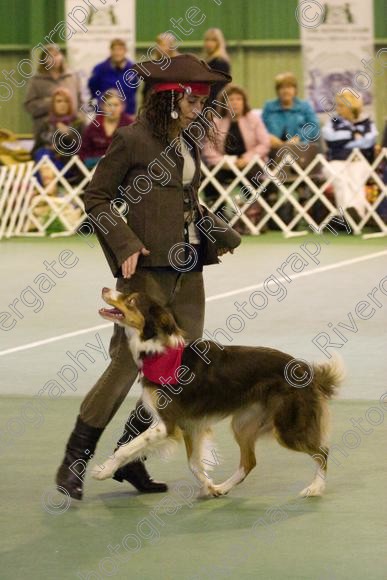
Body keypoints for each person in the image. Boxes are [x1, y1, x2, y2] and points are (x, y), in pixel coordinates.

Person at [55, 53, 240, 501]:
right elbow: (96, 197)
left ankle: (128, 458)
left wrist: (219, 231)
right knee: (125, 366)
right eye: (194, 101)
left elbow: (186, 201)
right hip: (145, 276)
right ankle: (74, 461)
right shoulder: (132, 139)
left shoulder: (186, 141)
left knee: (175, 368)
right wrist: (125, 245)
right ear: (171, 100)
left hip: (188, 269)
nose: (201, 109)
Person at [202, 84, 270, 230]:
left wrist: (246, 159)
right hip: (225, 164)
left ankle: (254, 216)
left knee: (257, 179)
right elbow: (208, 149)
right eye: (231, 99)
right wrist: (225, 161)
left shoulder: (254, 119)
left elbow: (265, 143)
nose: (235, 102)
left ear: (244, 102)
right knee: (210, 181)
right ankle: (218, 218)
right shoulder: (216, 122)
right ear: (224, 103)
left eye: (239, 99)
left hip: (249, 163)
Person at [322, 89, 378, 220]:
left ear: (351, 106)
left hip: (359, 161)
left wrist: (344, 143)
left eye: (341, 105)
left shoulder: (368, 122)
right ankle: (349, 215)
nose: (338, 109)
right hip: (335, 161)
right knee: (341, 180)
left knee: (356, 181)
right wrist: (353, 135)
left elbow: (368, 141)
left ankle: (356, 215)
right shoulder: (333, 121)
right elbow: (330, 138)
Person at [24, 44, 82, 140]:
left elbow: (80, 102)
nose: (54, 59)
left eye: (56, 55)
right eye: (49, 56)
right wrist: (51, 103)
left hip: (71, 130)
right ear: (44, 60)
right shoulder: (36, 80)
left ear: (62, 57)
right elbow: (29, 106)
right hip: (45, 130)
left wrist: (80, 119)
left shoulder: (72, 77)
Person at [262, 72, 319, 150]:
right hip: (273, 149)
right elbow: (260, 128)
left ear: (295, 90)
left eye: (289, 87)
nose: (285, 91)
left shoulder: (305, 106)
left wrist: (299, 138)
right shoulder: (269, 106)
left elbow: (314, 126)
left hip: (299, 149)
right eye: (282, 88)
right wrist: (268, 136)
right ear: (277, 91)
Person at [79, 89, 133, 169]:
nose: (113, 109)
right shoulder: (94, 125)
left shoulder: (130, 125)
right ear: (103, 106)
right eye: (109, 105)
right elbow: (83, 151)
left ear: (122, 106)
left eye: (116, 105)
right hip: (94, 168)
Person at [32, 87, 84, 167]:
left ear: (70, 104)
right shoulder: (46, 123)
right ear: (53, 104)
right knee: (43, 153)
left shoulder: (78, 123)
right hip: (46, 159)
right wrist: (49, 148)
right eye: (59, 101)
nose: (62, 104)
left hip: (69, 162)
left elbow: (83, 149)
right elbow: (35, 149)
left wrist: (68, 135)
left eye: (66, 101)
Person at [88, 38, 137, 115]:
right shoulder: (100, 69)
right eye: (114, 50)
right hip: (105, 114)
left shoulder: (133, 69)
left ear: (125, 51)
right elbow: (93, 88)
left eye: (120, 49)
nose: (117, 53)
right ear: (110, 51)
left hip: (127, 114)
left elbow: (135, 90)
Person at [142, 33, 179, 102]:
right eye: (158, 45)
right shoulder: (151, 66)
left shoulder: (179, 66)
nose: (159, 48)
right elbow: (145, 92)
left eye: (163, 45)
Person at [203, 28, 231, 106]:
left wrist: (210, 106)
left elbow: (218, 88)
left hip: (214, 105)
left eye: (213, 40)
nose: (209, 43)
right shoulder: (208, 60)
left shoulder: (220, 62)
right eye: (207, 40)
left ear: (219, 43)